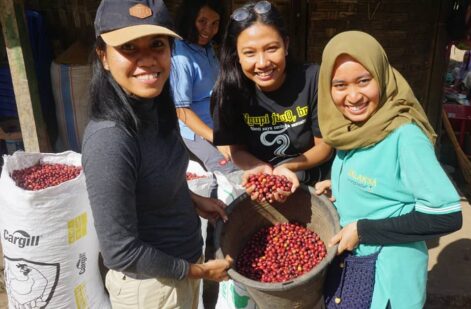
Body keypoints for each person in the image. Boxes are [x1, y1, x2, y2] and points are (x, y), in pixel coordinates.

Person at [82, 1, 231, 308]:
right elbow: (121, 251)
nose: (148, 59)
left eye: (157, 45)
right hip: (151, 289)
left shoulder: (156, 110)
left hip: (182, 270)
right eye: (129, 48)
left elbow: (154, 180)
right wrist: (198, 271)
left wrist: (191, 199)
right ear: (104, 57)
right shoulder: (109, 138)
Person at [315, 31, 462, 308]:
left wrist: (363, 230)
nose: (354, 95)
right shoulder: (352, 129)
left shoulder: (404, 136)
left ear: (382, 76)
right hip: (354, 265)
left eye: (363, 81)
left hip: (389, 278)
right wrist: (341, 184)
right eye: (340, 85)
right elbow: (382, 182)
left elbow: (447, 216)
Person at [211, 0, 333, 195]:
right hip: (265, 183)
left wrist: (288, 167)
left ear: (285, 45)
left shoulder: (313, 79)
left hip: (316, 183)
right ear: (237, 56)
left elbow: (324, 147)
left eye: (271, 48)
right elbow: (237, 151)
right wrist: (263, 170)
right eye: (249, 53)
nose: (262, 63)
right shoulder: (228, 93)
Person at [171, 0, 237, 174]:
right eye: (202, 21)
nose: (209, 29)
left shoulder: (205, 47)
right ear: (189, 19)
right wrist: (218, 140)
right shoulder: (180, 56)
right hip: (195, 131)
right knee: (228, 170)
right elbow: (181, 110)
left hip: (217, 125)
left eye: (215, 23)